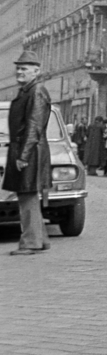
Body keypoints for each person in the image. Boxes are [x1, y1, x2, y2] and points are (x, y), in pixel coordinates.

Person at [4, 49, 52, 255]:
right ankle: (40, 239)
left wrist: (23, 156)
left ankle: (30, 242)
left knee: (28, 195)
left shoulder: (36, 91)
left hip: (29, 150)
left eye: (24, 69)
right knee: (27, 195)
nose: (19, 72)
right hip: (26, 148)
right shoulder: (29, 91)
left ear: (36, 71)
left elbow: (34, 125)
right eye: (18, 68)